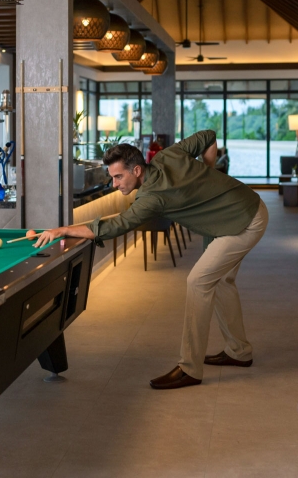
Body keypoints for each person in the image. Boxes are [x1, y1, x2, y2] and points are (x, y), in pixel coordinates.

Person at [35, 130, 268, 390]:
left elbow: (115, 226)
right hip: (242, 209)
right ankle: (239, 351)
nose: (114, 184)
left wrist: (64, 230)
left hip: (245, 221)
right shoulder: (169, 155)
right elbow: (209, 136)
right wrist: (209, 172)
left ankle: (189, 369)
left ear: (136, 170)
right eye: (112, 177)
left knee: (198, 281)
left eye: (118, 177)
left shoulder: (150, 198)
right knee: (221, 281)